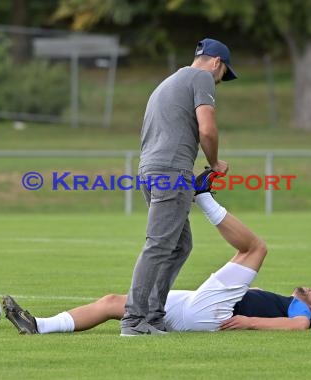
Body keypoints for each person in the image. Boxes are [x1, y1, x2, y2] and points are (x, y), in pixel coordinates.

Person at [3, 192, 311, 335]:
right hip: (196, 306)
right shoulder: (283, 302)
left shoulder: (299, 310)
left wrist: (248, 322)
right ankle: (39, 326)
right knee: (113, 303)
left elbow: (298, 326)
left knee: (256, 249)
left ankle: (203, 197)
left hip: (210, 312)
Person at [119, 38, 236, 336]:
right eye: (223, 75)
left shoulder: (168, 82)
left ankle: (154, 318)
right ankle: (134, 320)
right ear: (217, 63)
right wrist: (215, 163)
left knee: (180, 244)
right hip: (171, 171)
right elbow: (207, 128)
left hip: (150, 169)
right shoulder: (202, 77)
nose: (220, 82)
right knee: (158, 244)